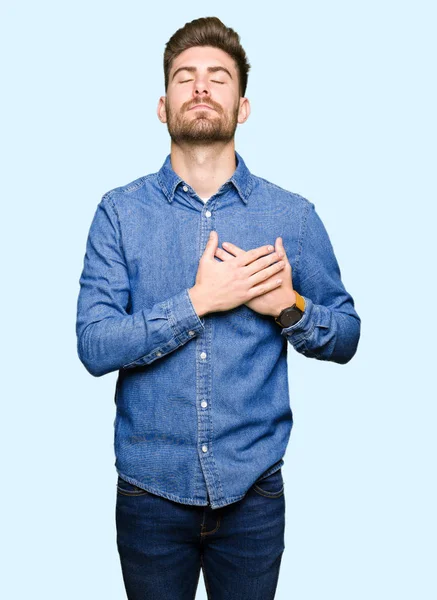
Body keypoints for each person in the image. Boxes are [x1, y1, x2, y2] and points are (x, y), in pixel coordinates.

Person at [76, 15, 361, 600]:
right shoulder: (119, 213)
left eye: (218, 78)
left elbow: (347, 334)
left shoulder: (294, 217)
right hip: (149, 494)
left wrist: (288, 307)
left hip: (253, 495)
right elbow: (95, 344)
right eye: (185, 78)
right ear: (163, 105)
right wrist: (201, 301)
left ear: (244, 106)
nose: (201, 87)